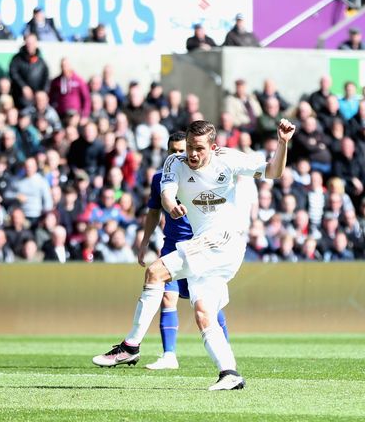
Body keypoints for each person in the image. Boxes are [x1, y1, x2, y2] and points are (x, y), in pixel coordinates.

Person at [92, 118, 296, 391]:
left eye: (199, 148)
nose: (193, 153)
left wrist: (282, 143)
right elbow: (166, 195)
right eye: (189, 146)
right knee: (203, 313)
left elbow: (273, 171)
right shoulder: (174, 162)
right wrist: (172, 204)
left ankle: (130, 346)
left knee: (155, 271)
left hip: (225, 240)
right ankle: (230, 373)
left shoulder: (229, 160)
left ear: (213, 147)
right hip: (207, 246)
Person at [136, 131, 229, 370]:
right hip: (172, 245)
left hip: (200, 246)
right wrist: (145, 240)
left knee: (208, 304)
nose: (179, 155)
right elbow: (154, 211)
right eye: (174, 151)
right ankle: (169, 355)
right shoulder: (161, 179)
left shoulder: (205, 175)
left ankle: (225, 352)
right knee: (168, 296)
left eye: (182, 150)